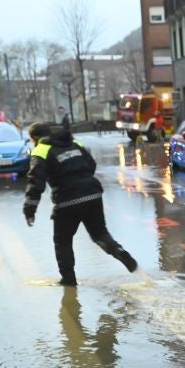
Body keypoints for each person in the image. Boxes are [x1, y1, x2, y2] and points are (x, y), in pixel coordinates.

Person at [23, 122, 137, 286]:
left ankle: (68, 281)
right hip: (92, 194)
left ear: (34, 138)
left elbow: (35, 182)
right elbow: (91, 164)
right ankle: (122, 254)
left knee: (63, 241)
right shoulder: (75, 143)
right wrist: (81, 179)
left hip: (67, 200)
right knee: (100, 234)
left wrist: (29, 209)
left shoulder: (40, 150)